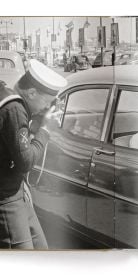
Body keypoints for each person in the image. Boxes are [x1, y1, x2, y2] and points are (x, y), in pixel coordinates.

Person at [0, 59, 67, 249]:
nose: (46, 107)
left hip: (15, 190)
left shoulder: (9, 98)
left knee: (41, 248)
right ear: (31, 93)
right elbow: (25, 162)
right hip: (5, 199)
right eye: (46, 102)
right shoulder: (14, 109)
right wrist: (46, 130)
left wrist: (38, 121)